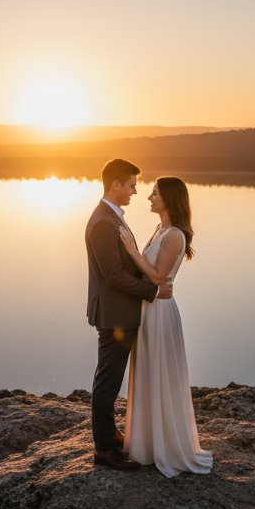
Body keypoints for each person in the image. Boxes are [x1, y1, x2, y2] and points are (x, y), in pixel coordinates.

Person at [118, 176, 213, 477]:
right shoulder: (161, 229)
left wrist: (132, 251)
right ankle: (146, 443)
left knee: (160, 372)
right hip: (149, 309)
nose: (148, 197)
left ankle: (166, 445)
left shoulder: (174, 235)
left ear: (168, 199)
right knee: (148, 371)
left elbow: (158, 277)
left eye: (155, 193)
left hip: (160, 311)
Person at [85, 158, 173, 471]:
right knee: (107, 383)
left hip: (120, 313)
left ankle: (109, 435)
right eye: (132, 185)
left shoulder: (112, 217)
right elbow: (112, 275)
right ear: (115, 185)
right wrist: (152, 291)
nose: (136, 191)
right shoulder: (103, 223)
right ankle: (104, 451)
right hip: (114, 316)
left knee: (109, 379)